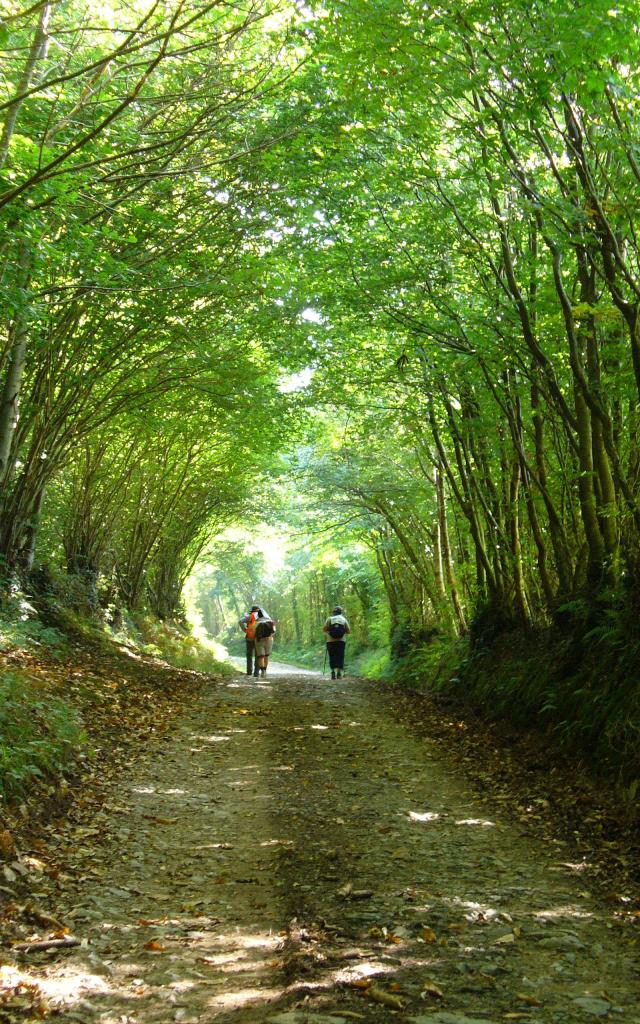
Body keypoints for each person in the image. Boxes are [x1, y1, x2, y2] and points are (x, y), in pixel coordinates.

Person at [323, 606, 350, 679]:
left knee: (332, 656)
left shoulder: (329, 619)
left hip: (330, 641)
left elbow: (324, 629)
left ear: (333, 612)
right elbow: (348, 631)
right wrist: (343, 631)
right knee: (340, 656)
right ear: (340, 612)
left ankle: (333, 672)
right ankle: (339, 672)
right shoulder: (343, 619)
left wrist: (329, 631)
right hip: (341, 641)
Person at [253, 608, 276, 677]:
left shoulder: (256, 622)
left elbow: (254, 632)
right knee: (266, 656)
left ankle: (262, 671)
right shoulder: (271, 622)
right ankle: (265, 670)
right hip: (269, 640)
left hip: (259, 640)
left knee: (261, 656)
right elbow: (274, 631)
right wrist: (268, 636)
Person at [239, 605, 260, 675]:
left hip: (249, 638)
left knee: (249, 655)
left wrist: (245, 630)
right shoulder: (261, 617)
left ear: (252, 611)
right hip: (258, 638)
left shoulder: (249, 616)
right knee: (257, 655)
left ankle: (249, 671)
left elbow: (240, 621)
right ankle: (256, 672)